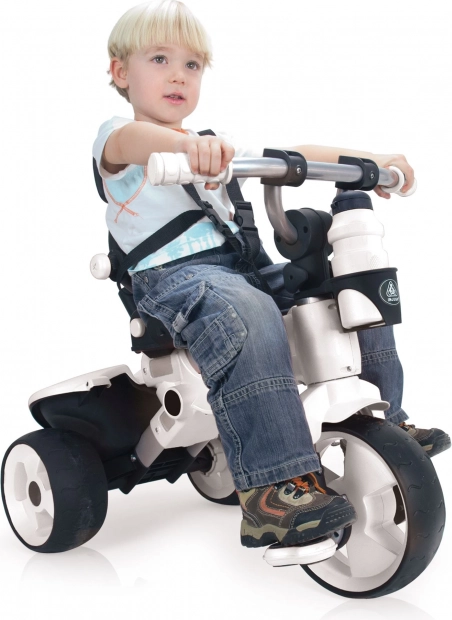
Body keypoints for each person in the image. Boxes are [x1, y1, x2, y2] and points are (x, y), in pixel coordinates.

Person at [93, 0, 450, 549]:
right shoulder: (119, 139)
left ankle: (383, 421)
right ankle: (272, 491)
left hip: (242, 271)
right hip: (174, 282)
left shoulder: (215, 149)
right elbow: (134, 144)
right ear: (121, 72)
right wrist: (187, 146)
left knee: (347, 285)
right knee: (247, 311)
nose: (177, 75)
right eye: (159, 59)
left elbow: (294, 155)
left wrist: (371, 159)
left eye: (192, 65)